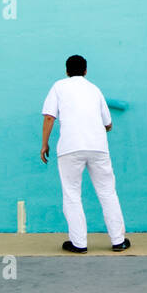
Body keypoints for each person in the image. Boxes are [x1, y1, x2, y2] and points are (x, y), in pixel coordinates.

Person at [41, 55, 130, 253]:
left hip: (70, 147)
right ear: (86, 71)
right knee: (107, 192)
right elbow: (108, 124)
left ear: (66, 71)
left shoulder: (58, 87)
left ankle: (79, 243)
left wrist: (44, 144)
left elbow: (49, 117)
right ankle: (118, 240)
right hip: (98, 147)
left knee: (72, 194)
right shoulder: (94, 89)